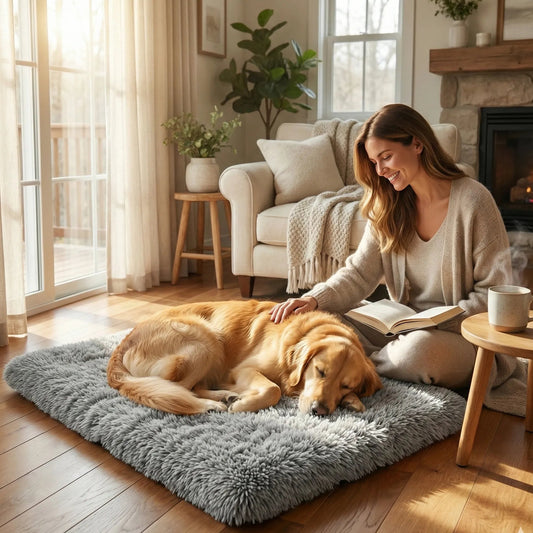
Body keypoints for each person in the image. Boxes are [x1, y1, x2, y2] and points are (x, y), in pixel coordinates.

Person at [270, 104, 527, 415]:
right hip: (400, 327)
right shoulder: (387, 204)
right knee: (326, 324)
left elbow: (491, 297)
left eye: (387, 157)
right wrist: (313, 300)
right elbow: (358, 274)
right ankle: (356, 366)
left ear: (417, 144)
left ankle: (358, 367)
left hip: (460, 337)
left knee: (420, 351)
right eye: (374, 162)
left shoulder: (474, 201)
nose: (380, 171)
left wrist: (438, 321)